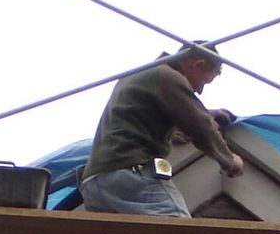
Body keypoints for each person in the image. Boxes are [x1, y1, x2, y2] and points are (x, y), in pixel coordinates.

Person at [80, 42, 245, 217]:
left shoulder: (139, 75)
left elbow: (136, 114)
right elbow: (200, 126)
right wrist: (229, 160)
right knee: (181, 233)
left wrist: (173, 129)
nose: (200, 91)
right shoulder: (167, 76)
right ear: (198, 64)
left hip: (95, 182)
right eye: (205, 81)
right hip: (130, 173)